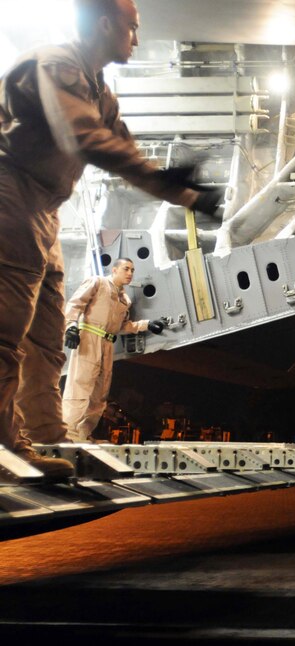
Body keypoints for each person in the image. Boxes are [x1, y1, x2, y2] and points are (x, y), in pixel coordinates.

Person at [0, 0, 221, 479]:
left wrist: (179, 189)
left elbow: (122, 146)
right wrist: (171, 185)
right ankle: (5, 451)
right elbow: (88, 139)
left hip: (43, 208)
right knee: (5, 334)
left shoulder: (101, 92)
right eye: (131, 28)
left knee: (45, 336)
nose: (136, 39)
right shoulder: (54, 65)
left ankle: (45, 436)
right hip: (10, 195)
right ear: (104, 23)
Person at [62, 257, 164, 442]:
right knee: (80, 387)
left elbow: (123, 326)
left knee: (100, 395)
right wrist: (71, 326)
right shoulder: (97, 282)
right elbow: (75, 304)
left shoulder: (124, 299)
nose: (130, 273)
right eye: (126, 269)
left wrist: (146, 325)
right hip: (89, 338)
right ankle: (67, 433)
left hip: (107, 344)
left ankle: (83, 435)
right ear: (114, 270)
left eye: (132, 270)